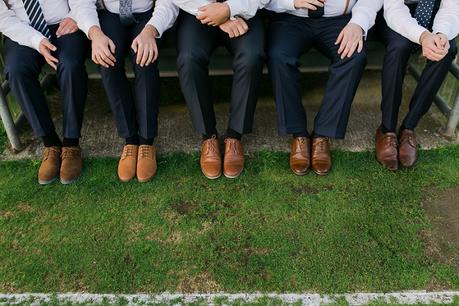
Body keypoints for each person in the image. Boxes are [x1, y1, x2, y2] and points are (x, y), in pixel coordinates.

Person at [150, 0, 268, 179]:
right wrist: (218, 17)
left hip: (243, 9)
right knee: (189, 59)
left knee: (252, 56)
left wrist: (228, 9)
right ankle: (208, 136)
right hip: (197, 9)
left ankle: (234, 137)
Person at [266, 0, 383, 176]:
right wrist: (292, 2)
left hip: (340, 19)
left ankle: (323, 134)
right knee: (278, 56)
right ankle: (298, 134)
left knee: (353, 57)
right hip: (291, 17)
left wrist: (358, 22)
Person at [73, 0, 175, 183]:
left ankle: (146, 141)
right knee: (107, 61)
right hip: (111, 14)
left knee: (145, 59)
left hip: (148, 13)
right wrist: (95, 34)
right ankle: (130, 140)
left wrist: (151, 30)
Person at [0, 0, 88, 185]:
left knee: (70, 65)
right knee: (16, 71)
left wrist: (75, 16)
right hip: (21, 28)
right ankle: (51, 144)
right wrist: (36, 41)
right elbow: (3, 18)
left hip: (64, 23)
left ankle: (71, 144)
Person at [374, 0, 458, 171]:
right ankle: (387, 129)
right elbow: (393, 9)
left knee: (445, 49)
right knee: (399, 47)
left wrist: (442, 33)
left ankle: (409, 128)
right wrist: (423, 36)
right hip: (395, 11)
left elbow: (452, 7)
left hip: (434, 12)